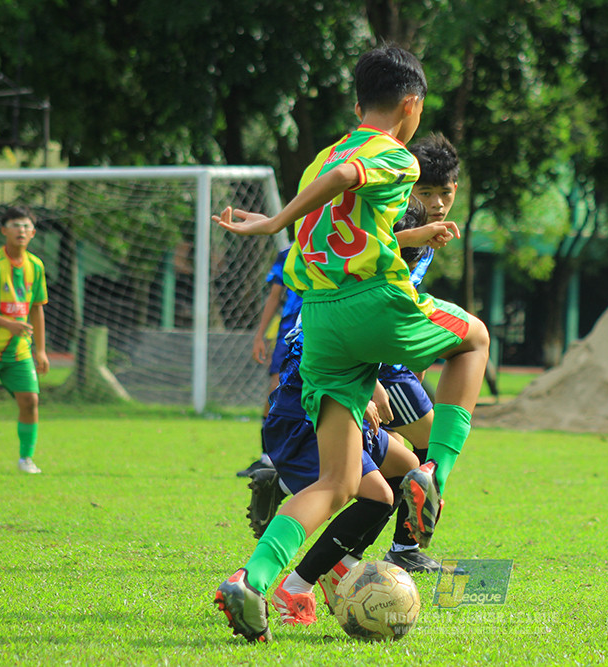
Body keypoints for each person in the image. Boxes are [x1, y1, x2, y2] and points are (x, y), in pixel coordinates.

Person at [212, 44, 489, 643]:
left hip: (321, 322)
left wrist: (417, 231)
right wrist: (271, 222)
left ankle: (255, 581)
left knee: (335, 485)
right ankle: (433, 475)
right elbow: (350, 179)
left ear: (359, 102)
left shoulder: (322, 156)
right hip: (373, 305)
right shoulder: (393, 155)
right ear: (410, 106)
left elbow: (356, 220)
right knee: (474, 341)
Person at [244, 318, 417, 627]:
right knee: (375, 496)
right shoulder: (346, 284)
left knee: (408, 469)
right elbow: (320, 342)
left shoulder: (382, 278)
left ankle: (340, 567)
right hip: (310, 409)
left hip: (347, 399)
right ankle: (295, 586)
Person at [380, 133, 461, 573]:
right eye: (425, 192)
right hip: (378, 360)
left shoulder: (426, 233)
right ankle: (404, 551)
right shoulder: (398, 226)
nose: (437, 203)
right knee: (434, 452)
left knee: (397, 459)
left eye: (444, 193)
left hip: (381, 358)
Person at [0, 206, 50, 474]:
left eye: (26, 226)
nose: (21, 230)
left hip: (18, 351)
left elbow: (37, 307)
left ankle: (25, 459)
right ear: (4, 230)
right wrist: (9, 324)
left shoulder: (36, 265)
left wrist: (40, 350)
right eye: (15, 225)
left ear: (34, 233)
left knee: (30, 400)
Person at [237, 247, 302, 478]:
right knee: (275, 389)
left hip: (320, 330)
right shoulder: (287, 254)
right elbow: (274, 296)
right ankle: (267, 458)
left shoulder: (335, 246)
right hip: (288, 334)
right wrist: (260, 335)